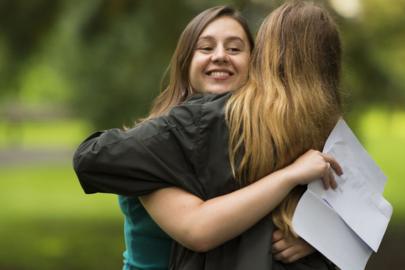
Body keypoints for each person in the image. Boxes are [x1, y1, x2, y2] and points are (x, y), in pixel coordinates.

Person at [74, 1, 343, 269]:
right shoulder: (166, 143)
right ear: (185, 61)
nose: (220, 56)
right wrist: (289, 176)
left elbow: (348, 203)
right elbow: (199, 229)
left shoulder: (267, 134)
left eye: (235, 48)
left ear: (255, 63)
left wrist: (316, 236)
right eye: (205, 47)